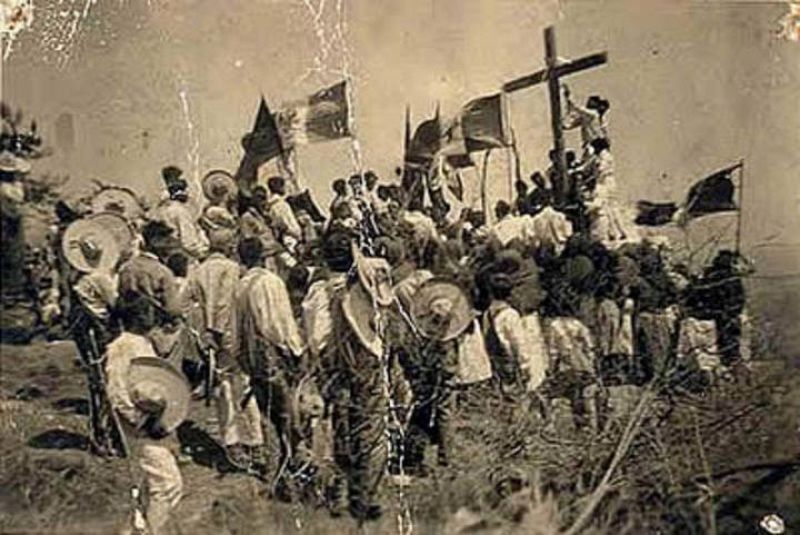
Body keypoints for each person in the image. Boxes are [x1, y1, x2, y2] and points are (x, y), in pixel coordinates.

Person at [302, 230, 388, 521]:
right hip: (369, 367)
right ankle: (366, 496)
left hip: (335, 370)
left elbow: (316, 338)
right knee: (373, 432)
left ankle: (339, 495)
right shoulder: (366, 286)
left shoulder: (319, 292)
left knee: (340, 428)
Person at [185, 213, 259, 468]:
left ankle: (232, 441)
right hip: (235, 333)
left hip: (209, 335)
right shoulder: (234, 269)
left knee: (223, 388)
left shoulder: (197, 271)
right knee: (246, 384)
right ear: (228, 247)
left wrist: (202, 333)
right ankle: (255, 440)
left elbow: (188, 306)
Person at [105, 296, 183, 535]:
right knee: (167, 484)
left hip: (148, 422)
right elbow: (117, 391)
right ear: (138, 318)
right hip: (138, 424)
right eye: (149, 313)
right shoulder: (125, 346)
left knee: (150, 485)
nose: (153, 318)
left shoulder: (141, 343)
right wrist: (141, 421)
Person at [235, 237, 306, 480]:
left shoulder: (241, 285)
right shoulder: (269, 282)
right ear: (264, 257)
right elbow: (277, 323)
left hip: (253, 359)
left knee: (270, 414)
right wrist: (295, 350)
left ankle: (277, 465)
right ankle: (292, 465)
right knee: (288, 412)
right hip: (272, 355)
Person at [156, 165, 209, 261]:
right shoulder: (180, 211)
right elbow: (189, 243)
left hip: (164, 256)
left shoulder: (160, 210)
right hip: (182, 257)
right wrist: (204, 252)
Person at [266, 176, 302, 251]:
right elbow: (285, 224)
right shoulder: (280, 205)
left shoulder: (272, 205)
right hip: (291, 239)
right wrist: (297, 235)